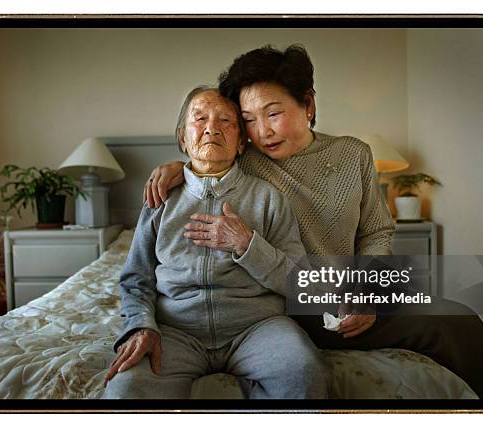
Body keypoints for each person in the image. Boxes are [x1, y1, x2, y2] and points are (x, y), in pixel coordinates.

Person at [143, 45, 483, 399]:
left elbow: (376, 230)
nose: (262, 132)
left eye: (273, 114)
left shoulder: (354, 154)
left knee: (458, 317)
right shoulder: (246, 158)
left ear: (308, 103)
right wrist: (178, 167)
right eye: (249, 120)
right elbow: (206, 162)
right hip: (288, 302)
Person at [102, 86, 329, 399]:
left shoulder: (268, 198)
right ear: (183, 138)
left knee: (306, 373)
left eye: (226, 121)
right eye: (200, 119)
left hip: (258, 328)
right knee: (124, 392)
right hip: (176, 331)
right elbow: (135, 279)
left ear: (240, 144)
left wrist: (246, 244)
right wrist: (141, 326)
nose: (211, 128)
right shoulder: (160, 198)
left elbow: (300, 282)